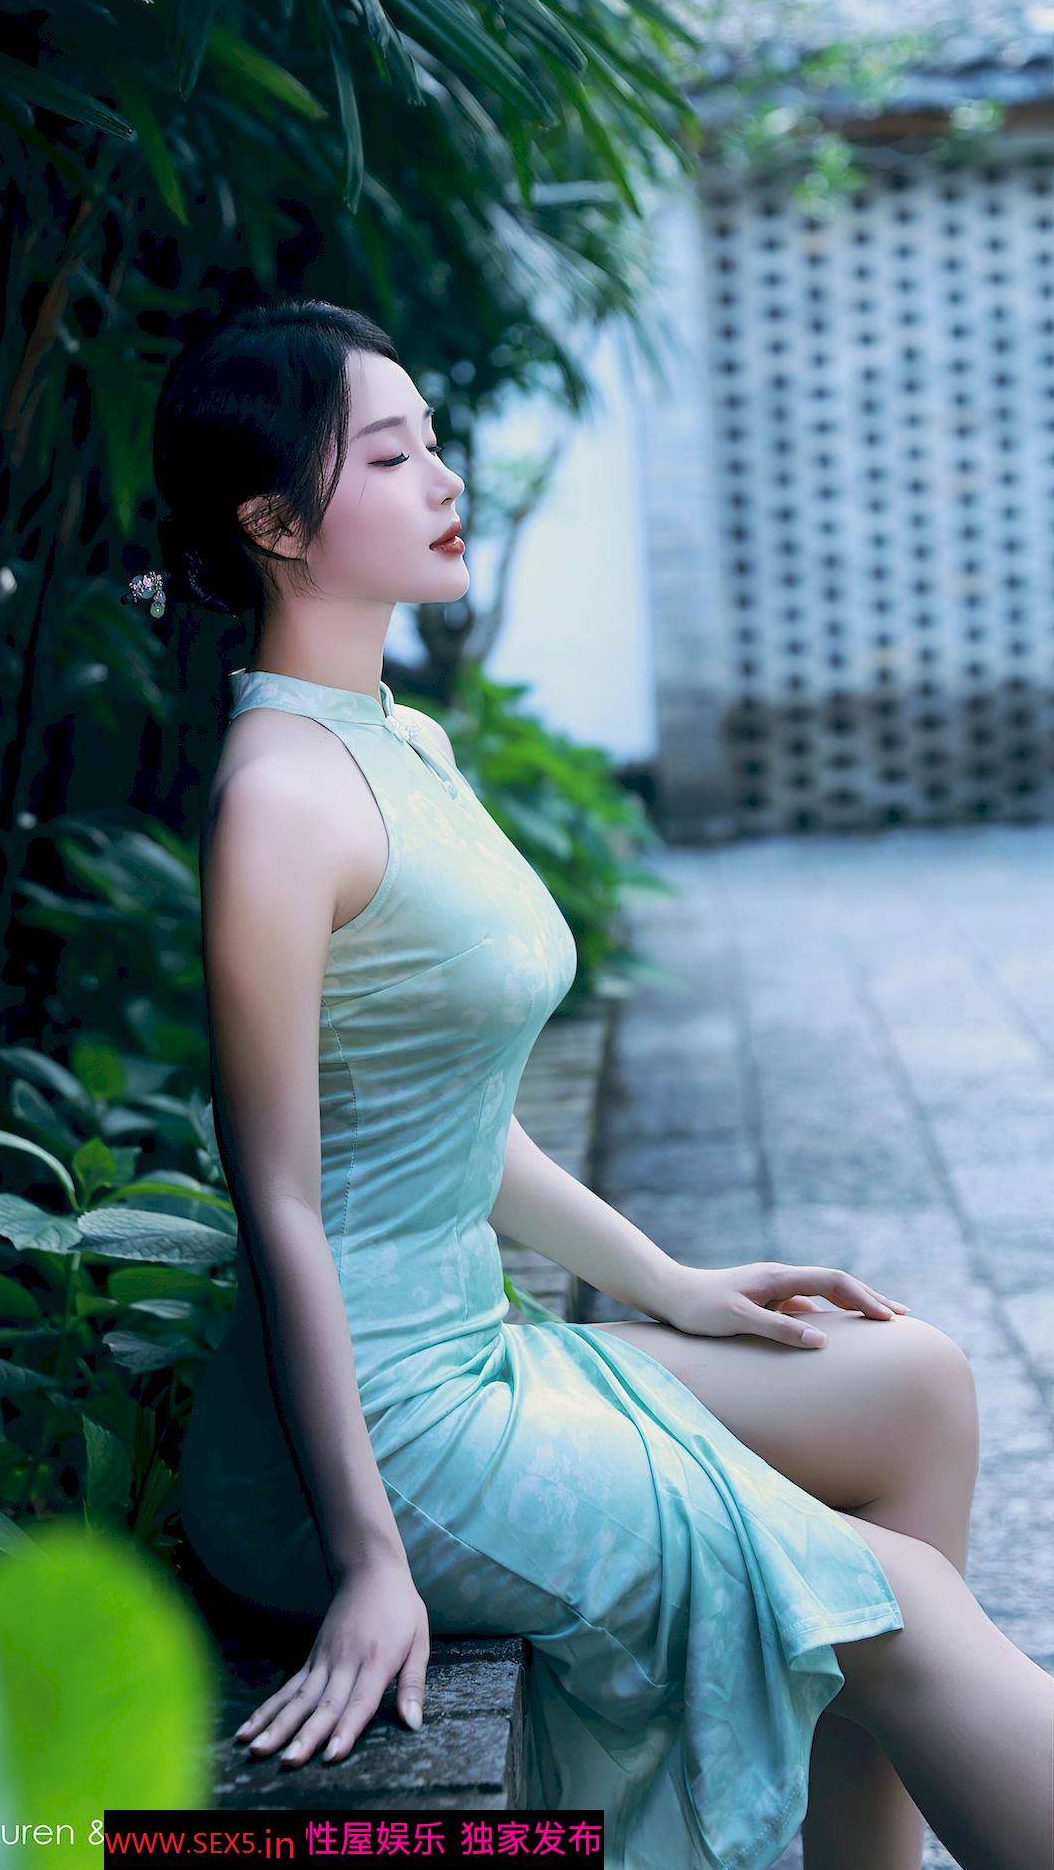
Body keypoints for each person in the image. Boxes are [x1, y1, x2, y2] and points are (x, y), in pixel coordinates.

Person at [138, 299, 1053, 1870]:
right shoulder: (278, 803)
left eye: (434, 443)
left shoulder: (403, 741)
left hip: (470, 1355)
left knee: (912, 1383)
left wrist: (667, 1282)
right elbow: (279, 1200)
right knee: (893, 1598)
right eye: (391, 456)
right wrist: (369, 1559)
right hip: (360, 1443)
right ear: (275, 522)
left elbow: (447, 1118)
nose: (446, 480)